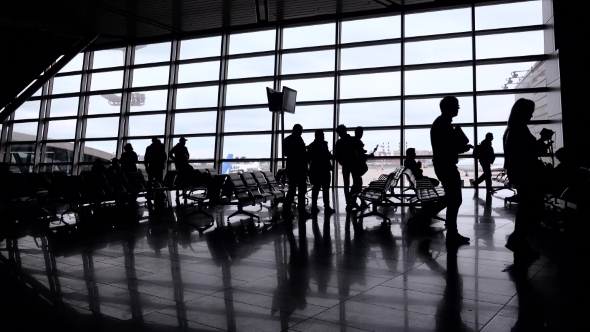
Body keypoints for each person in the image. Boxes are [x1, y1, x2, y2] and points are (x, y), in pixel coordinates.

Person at [504, 98, 550, 260]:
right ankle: (518, 239)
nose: (531, 116)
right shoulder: (519, 130)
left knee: (527, 208)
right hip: (525, 174)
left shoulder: (512, 130)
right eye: (529, 112)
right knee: (531, 208)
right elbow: (528, 152)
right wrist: (542, 141)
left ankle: (518, 239)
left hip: (519, 173)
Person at [431, 96, 473, 245]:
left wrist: (461, 148)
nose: (458, 108)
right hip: (446, 166)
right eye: (456, 106)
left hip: (443, 165)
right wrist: (462, 147)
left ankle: (451, 231)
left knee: (452, 198)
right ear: (448, 107)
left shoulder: (441, 123)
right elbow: (448, 147)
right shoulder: (444, 125)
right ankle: (451, 232)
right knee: (455, 198)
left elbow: (446, 147)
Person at [283, 124, 311, 219]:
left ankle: (286, 210)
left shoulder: (287, 139)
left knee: (292, 189)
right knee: (302, 190)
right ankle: (301, 211)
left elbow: (285, 153)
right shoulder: (299, 140)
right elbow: (302, 154)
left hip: (291, 168)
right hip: (299, 168)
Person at [307, 130, 335, 215]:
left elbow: (309, 158)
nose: (323, 136)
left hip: (315, 170)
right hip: (324, 170)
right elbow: (326, 157)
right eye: (322, 135)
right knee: (325, 189)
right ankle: (327, 207)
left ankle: (314, 207)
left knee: (316, 189)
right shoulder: (323, 145)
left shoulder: (311, 146)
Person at [335, 124, 359, 210]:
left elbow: (337, 155)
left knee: (346, 184)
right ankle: (353, 200)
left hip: (346, 165)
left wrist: (342, 162)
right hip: (354, 164)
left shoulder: (339, 142)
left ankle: (348, 202)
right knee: (356, 183)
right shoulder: (353, 140)